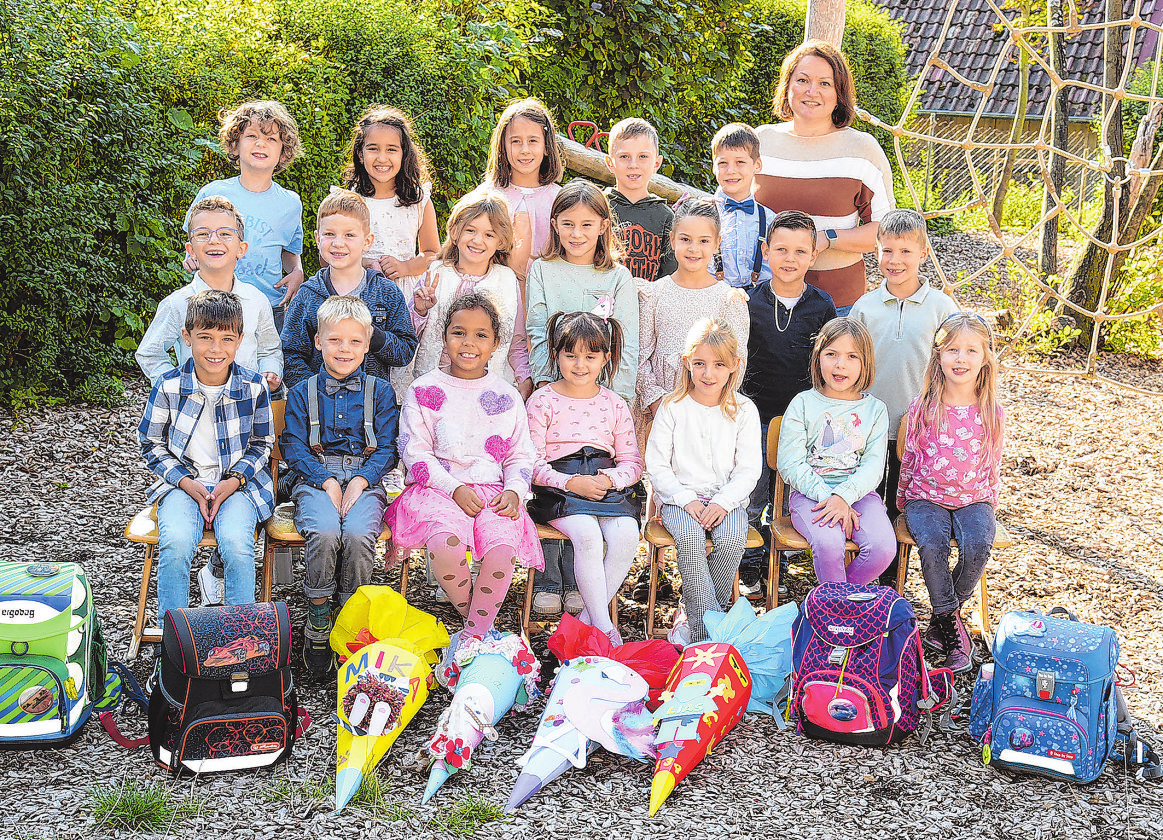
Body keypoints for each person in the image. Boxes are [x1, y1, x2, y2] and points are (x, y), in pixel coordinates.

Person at [385, 293, 543, 640]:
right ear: (444, 337)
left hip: (494, 491)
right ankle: (479, 630)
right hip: (437, 489)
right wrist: (454, 488)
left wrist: (515, 492)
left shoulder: (508, 395)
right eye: (459, 332)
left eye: (481, 335)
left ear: (496, 343)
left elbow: (520, 454)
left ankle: (471, 640)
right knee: (445, 544)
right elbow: (415, 452)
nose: (468, 343)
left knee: (501, 552)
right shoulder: (424, 389)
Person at [526, 179, 639, 617]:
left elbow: (624, 341)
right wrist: (544, 382)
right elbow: (538, 329)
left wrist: (614, 397)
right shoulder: (542, 270)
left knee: (599, 507)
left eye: (586, 224)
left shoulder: (616, 277)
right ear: (555, 225)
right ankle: (550, 581)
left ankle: (582, 590)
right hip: (554, 390)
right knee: (555, 477)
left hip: (602, 394)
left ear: (602, 227)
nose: (576, 233)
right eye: (568, 224)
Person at [138, 290, 274, 625]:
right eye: (205, 338)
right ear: (186, 337)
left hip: (239, 486)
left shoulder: (254, 387)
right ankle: (173, 642)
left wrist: (233, 481)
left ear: (240, 340)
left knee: (237, 546)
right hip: (183, 486)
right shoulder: (168, 386)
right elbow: (151, 443)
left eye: (227, 339)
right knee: (177, 543)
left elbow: (262, 443)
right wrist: (186, 482)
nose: (216, 349)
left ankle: (240, 638)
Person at [280, 296, 399, 677]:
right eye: (334, 340)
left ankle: (352, 617)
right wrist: (326, 480)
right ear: (318, 342)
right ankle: (318, 616)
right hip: (316, 476)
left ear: (367, 344)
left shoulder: (381, 393)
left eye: (353, 341)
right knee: (327, 530)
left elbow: (389, 447)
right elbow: (293, 445)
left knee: (361, 532)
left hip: (366, 476)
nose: (344, 349)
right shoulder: (302, 392)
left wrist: (362, 480)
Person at [526, 311, 643, 646]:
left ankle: (584, 621)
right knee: (588, 537)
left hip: (605, 484)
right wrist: (569, 482)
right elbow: (530, 462)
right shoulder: (543, 400)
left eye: (590, 356)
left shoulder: (615, 404)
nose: (580, 365)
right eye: (570, 355)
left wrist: (609, 479)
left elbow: (633, 462)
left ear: (606, 358)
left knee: (626, 536)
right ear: (556, 354)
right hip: (559, 487)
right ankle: (605, 629)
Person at [753, 41, 895, 314]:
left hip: (838, 303)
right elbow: (732, 210)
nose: (812, 91)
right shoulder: (761, 143)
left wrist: (827, 238)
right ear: (787, 86)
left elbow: (885, 232)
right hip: (763, 302)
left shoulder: (862, 150)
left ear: (840, 93)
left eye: (825, 83)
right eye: (802, 80)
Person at [898, 312, 1004, 674]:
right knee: (932, 544)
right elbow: (910, 457)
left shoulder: (991, 410)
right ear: (938, 356)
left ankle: (941, 622)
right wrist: (903, 501)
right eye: (952, 350)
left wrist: (989, 502)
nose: (961, 359)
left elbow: (992, 462)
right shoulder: (924, 406)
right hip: (925, 496)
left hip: (974, 498)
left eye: (971, 351)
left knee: (978, 544)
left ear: (985, 357)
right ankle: (953, 629)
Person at [739, 210, 837, 598]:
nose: (789, 258)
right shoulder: (748, 302)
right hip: (756, 416)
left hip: (802, 421)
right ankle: (750, 567)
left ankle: (782, 561)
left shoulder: (822, 306)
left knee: (791, 498)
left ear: (813, 256)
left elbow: (828, 365)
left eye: (800, 251)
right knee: (754, 495)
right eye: (780, 249)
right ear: (765, 251)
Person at [645, 318, 760, 645]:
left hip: (727, 499)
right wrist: (685, 499)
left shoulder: (744, 411)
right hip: (680, 499)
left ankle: (694, 612)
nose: (708, 374)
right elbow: (657, 464)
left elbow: (748, 469)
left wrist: (724, 502)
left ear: (735, 366)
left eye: (719, 365)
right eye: (700, 364)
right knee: (690, 536)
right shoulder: (672, 406)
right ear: (687, 363)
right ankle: (708, 632)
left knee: (733, 537)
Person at [850, 209, 958, 534]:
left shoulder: (942, 308)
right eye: (888, 251)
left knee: (902, 505)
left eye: (906, 251)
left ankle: (893, 580)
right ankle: (862, 577)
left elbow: (955, 367)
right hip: (867, 426)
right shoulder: (864, 307)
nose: (895, 260)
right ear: (876, 251)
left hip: (918, 426)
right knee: (865, 501)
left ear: (924, 253)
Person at [777, 317, 894, 585]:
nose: (840, 364)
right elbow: (790, 463)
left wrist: (844, 496)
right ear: (818, 358)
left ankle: (833, 606)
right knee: (829, 544)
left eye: (852, 356)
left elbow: (874, 466)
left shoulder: (875, 410)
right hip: (811, 495)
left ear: (866, 363)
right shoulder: (803, 404)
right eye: (831, 354)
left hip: (859, 494)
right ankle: (836, 615)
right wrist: (830, 498)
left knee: (882, 548)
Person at [139, 196, 282, 393]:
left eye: (225, 233)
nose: (214, 240)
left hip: (245, 406)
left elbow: (269, 349)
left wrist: (270, 370)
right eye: (203, 234)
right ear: (191, 251)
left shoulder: (256, 301)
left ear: (241, 249)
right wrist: (175, 386)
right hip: (193, 408)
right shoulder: (178, 303)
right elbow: (150, 353)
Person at [185, 100, 305, 331]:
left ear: (283, 151)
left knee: (266, 365)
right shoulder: (213, 192)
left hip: (269, 308)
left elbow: (290, 251)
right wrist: (190, 257)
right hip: (213, 303)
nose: (261, 144)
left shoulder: (290, 203)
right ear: (234, 145)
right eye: (251, 136)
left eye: (271, 139)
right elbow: (194, 240)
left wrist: (297, 272)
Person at [281, 190, 417, 388]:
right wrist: (314, 393)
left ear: (367, 241)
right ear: (318, 239)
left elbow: (405, 350)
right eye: (329, 234)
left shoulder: (386, 292)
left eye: (349, 235)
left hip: (372, 410)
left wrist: (373, 335)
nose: (338, 243)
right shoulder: (308, 295)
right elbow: (291, 354)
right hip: (319, 412)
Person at [408, 192, 532, 398]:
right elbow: (409, 334)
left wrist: (524, 377)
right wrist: (420, 310)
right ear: (455, 232)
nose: (477, 240)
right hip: (436, 386)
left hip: (486, 389)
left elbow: (516, 340)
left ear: (501, 242)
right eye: (470, 230)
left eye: (489, 235)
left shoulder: (507, 280)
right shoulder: (436, 273)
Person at [342, 105, 440, 294]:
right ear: (361, 155)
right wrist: (361, 263)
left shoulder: (419, 201)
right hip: (356, 291)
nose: (382, 158)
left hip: (404, 295)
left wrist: (405, 267)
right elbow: (327, 256)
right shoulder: (349, 201)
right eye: (373, 149)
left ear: (404, 154)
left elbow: (432, 254)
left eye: (391, 149)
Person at [474, 98, 565, 288]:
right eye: (516, 141)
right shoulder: (486, 197)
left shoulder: (560, 200)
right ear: (503, 146)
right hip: (495, 296)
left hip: (547, 296)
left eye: (533, 141)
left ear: (546, 146)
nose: (524, 150)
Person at [603, 118, 678, 285]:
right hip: (602, 303)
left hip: (649, 304)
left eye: (643, 156)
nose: (633, 165)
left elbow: (670, 274)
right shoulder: (599, 207)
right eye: (624, 156)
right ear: (610, 163)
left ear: (656, 163)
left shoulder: (665, 216)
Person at [708, 123, 776, 290]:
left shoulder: (770, 219)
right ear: (714, 167)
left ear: (757, 165)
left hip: (758, 304)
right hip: (711, 299)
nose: (731, 170)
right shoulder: (702, 215)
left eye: (740, 162)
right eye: (723, 163)